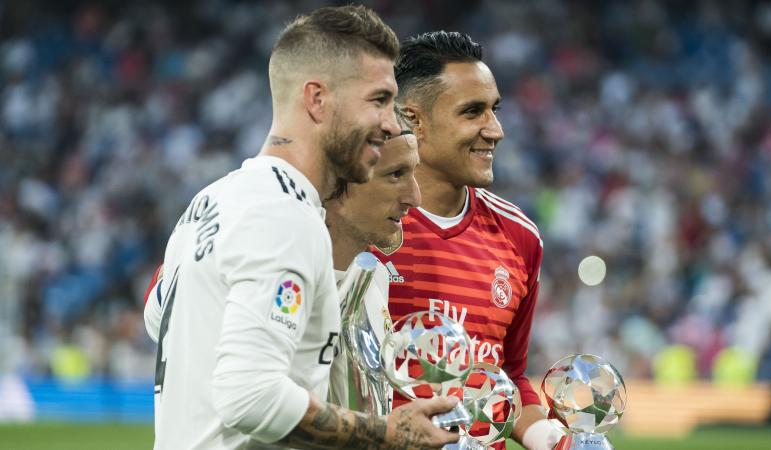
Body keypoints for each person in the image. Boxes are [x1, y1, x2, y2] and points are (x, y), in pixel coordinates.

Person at [143, 7, 458, 450]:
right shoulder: (285, 217)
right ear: (317, 99)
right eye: (378, 99)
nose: (390, 122)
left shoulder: (212, 201)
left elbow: (157, 317)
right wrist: (386, 433)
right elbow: (249, 397)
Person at [374, 31, 564, 450]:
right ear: (414, 119)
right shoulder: (359, 226)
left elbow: (509, 375)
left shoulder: (520, 238)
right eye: (472, 111)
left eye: (494, 110)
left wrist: (546, 439)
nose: (494, 130)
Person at [325, 117, 421, 411]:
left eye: (413, 173)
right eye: (395, 175)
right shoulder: (290, 276)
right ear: (339, 179)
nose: (415, 198)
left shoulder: (376, 277)